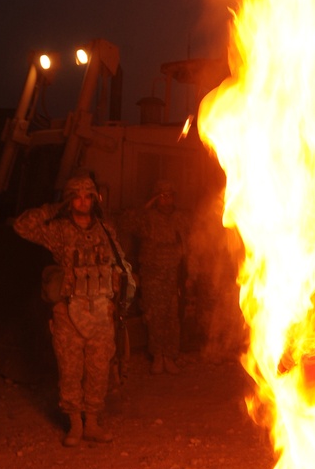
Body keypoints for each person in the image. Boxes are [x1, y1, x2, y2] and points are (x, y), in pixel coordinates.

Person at [13, 173, 134, 446]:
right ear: (70, 200)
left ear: (94, 199)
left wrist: (118, 302)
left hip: (102, 311)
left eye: (87, 196)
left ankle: (92, 422)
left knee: (99, 369)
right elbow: (22, 225)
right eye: (76, 196)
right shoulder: (58, 229)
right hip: (69, 311)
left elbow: (117, 265)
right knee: (70, 370)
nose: (83, 201)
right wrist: (55, 207)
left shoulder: (105, 230)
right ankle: (75, 425)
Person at [121, 179, 191, 374]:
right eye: (161, 196)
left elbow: (188, 245)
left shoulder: (180, 218)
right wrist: (147, 205)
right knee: (154, 317)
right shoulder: (147, 218)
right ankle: (157, 356)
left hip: (173, 275)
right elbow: (126, 223)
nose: (166, 200)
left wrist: (189, 274)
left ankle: (169, 356)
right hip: (152, 275)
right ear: (155, 198)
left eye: (169, 196)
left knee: (172, 318)